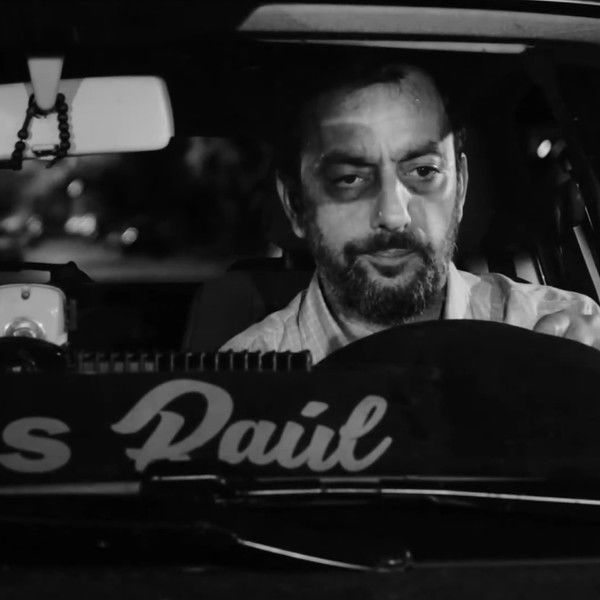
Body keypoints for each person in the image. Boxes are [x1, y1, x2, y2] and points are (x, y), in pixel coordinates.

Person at [221, 61, 600, 364]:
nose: (393, 214)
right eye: (350, 179)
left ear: (461, 187)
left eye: (423, 172)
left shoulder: (563, 337)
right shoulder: (242, 385)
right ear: (295, 204)